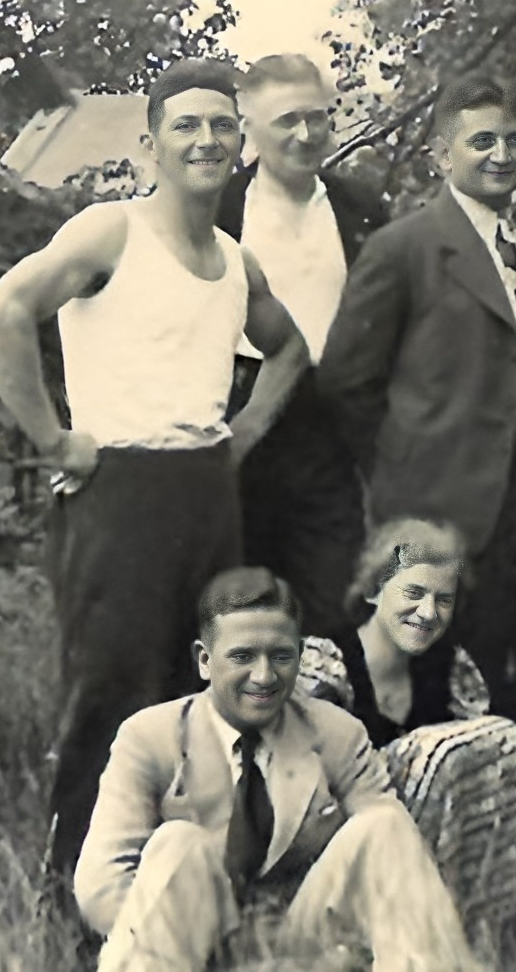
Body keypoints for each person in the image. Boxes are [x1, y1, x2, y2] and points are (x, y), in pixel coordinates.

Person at [0, 59, 312, 888]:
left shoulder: (235, 260)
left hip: (208, 497)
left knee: (201, 697)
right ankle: (73, 903)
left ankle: (181, 894)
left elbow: (290, 350)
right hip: (118, 498)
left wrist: (243, 431)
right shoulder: (110, 231)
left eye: (221, 125)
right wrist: (54, 441)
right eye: (186, 125)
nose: (206, 140)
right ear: (151, 144)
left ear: (242, 143)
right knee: (111, 701)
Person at [317, 71, 516, 733]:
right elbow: (347, 381)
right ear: (442, 156)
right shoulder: (404, 247)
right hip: (452, 489)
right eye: (482, 142)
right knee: (466, 656)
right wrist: (408, 462)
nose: (502, 155)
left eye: (515, 141)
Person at [74, 566, 482, 971]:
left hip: (301, 947)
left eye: (281, 656)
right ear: (204, 660)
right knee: (179, 844)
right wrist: (179, 937)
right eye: (243, 657)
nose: (264, 676)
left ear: (300, 656)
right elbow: (101, 883)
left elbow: (395, 860)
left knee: (386, 825)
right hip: (187, 946)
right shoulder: (149, 736)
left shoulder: (337, 734)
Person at [295, 516, 516, 950]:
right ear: (372, 590)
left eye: (443, 600)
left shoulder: (450, 667)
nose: (428, 613)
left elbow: (488, 770)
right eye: (414, 593)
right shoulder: (325, 664)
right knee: (445, 748)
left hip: (444, 849)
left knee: (502, 741)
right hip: (348, 846)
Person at [217, 52, 388, 630]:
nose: (306, 134)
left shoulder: (361, 210)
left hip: (331, 425)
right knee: (238, 599)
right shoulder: (216, 211)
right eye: (287, 120)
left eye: (317, 117)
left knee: (336, 601)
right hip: (240, 416)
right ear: (249, 127)